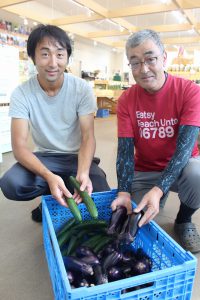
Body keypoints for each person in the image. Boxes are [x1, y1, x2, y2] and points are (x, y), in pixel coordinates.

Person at [0, 24, 110, 222]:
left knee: (100, 190)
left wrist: (83, 172)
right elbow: (19, 147)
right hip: (45, 157)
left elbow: (87, 136)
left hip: (76, 156)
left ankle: (56, 197)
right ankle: (53, 195)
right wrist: (48, 176)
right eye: (44, 54)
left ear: (67, 57)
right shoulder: (22, 93)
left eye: (60, 54)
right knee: (11, 184)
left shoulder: (82, 89)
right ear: (33, 57)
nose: (53, 63)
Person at [111, 29, 200, 253]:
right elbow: (124, 151)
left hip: (183, 168)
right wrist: (123, 191)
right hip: (146, 169)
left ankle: (183, 220)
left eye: (150, 59)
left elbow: (185, 148)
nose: (144, 69)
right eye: (135, 63)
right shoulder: (126, 100)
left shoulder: (190, 91)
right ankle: (150, 195)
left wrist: (160, 189)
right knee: (135, 224)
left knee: (198, 175)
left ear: (163, 58)